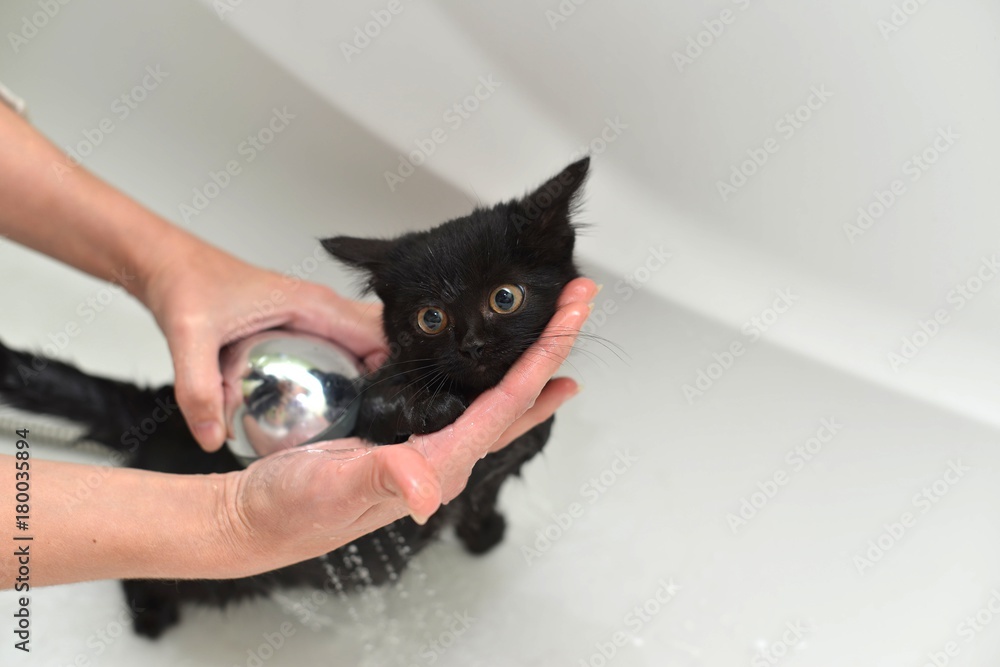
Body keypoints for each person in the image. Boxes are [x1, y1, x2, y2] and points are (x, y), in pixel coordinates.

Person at [0, 99, 596, 587]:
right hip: (198, 483)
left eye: (503, 301)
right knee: (164, 506)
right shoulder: (402, 400)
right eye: (434, 321)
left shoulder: (521, 385)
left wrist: (166, 267)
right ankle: (149, 586)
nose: (471, 343)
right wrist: (230, 522)